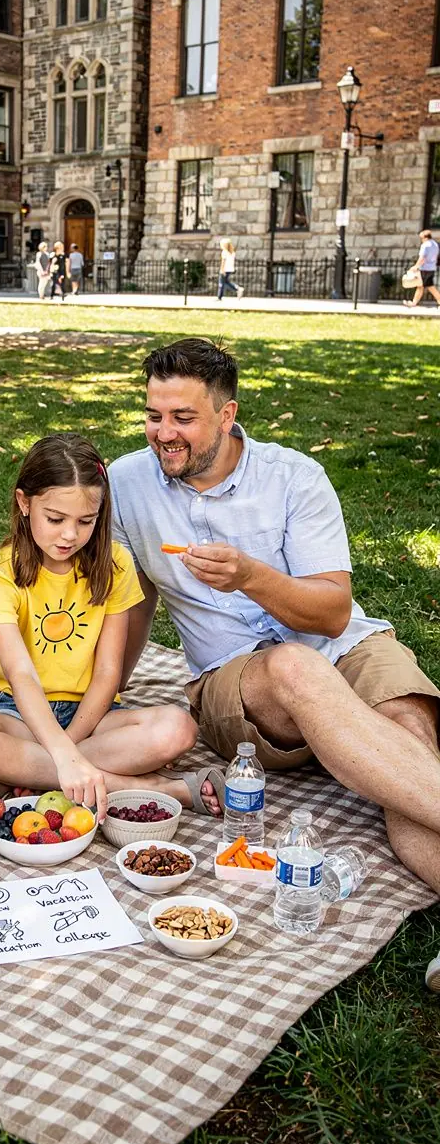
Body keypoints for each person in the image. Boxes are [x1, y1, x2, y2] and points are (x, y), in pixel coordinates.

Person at [107, 338, 440, 907]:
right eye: (153, 415)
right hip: (238, 684)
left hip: (346, 645)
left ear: (227, 414)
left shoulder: (294, 477)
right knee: (294, 668)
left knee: (408, 743)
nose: (164, 433)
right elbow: (130, 600)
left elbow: (334, 613)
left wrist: (251, 577)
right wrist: (105, 689)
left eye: (183, 418)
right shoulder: (126, 482)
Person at [0, 434, 197, 821]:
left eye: (85, 521)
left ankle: (15, 779)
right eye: (56, 519)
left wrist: (68, 747)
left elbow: (109, 672)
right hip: (16, 712)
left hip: (92, 717)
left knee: (178, 728)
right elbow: (21, 673)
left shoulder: (114, 564)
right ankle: (149, 788)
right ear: (24, 503)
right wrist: (62, 756)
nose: (69, 535)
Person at [402, 229, 440, 308]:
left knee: (429, 286)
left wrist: (416, 266)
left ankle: (439, 301)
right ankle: (414, 303)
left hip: (425, 268)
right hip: (432, 268)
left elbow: (422, 258)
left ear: (425, 237)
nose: (421, 240)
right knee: (421, 286)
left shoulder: (425, 245)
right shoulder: (435, 244)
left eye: (421, 238)